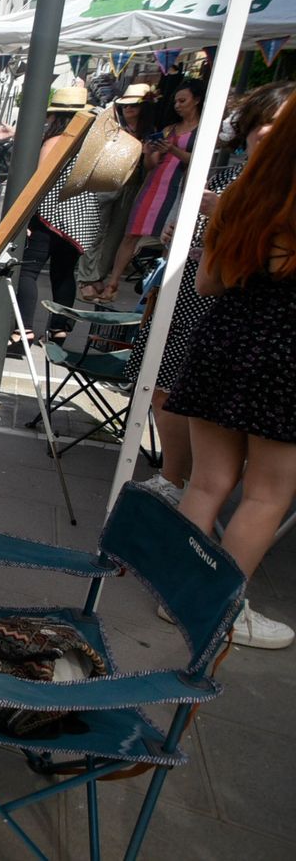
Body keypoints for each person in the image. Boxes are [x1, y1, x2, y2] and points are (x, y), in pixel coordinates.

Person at [164, 84, 296, 650]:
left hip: (225, 335)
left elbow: (207, 283)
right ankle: (220, 610)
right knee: (267, 494)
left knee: (207, 480)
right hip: (287, 347)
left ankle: (177, 597)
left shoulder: (239, 194)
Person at [125, 81, 293, 513]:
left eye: (277, 122)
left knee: (249, 489)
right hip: (200, 298)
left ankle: (174, 478)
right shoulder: (230, 177)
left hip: (236, 320)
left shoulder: (268, 190)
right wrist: (181, 236)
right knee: (162, 384)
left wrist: (220, 220)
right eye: (259, 122)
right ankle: (172, 476)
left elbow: (235, 269)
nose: (266, 131)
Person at [10, 87, 102, 354]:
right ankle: (59, 330)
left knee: (27, 271)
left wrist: (25, 220)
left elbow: (39, 184)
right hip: (79, 220)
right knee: (63, 276)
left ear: (55, 115)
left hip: (50, 216)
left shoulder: (55, 142)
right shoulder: (90, 145)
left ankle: (22, 331)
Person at [100, 79, 205, 302]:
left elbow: (200, 161)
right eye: (176, 101)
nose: (178, 105)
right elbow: (151, 166)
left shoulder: (203, 131)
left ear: (196, 100)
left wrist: (173, 149)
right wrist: (149, 152)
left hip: (178, 187)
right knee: (131, 234)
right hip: (155, 183)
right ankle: (113, 283)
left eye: (182, 100)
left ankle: (156, 290)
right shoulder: (169, 129)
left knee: (169, 238)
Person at [79, 83, 157, 301]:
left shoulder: (151, 132)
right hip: (106, 181)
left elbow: (151, 167)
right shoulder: (112, 126)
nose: (128, 109)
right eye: (124, 105)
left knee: (115, 235)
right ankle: (86, 278)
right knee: (94, 231)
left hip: (132, 186)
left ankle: (97, 277)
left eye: (134, 105)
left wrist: (148, 152)